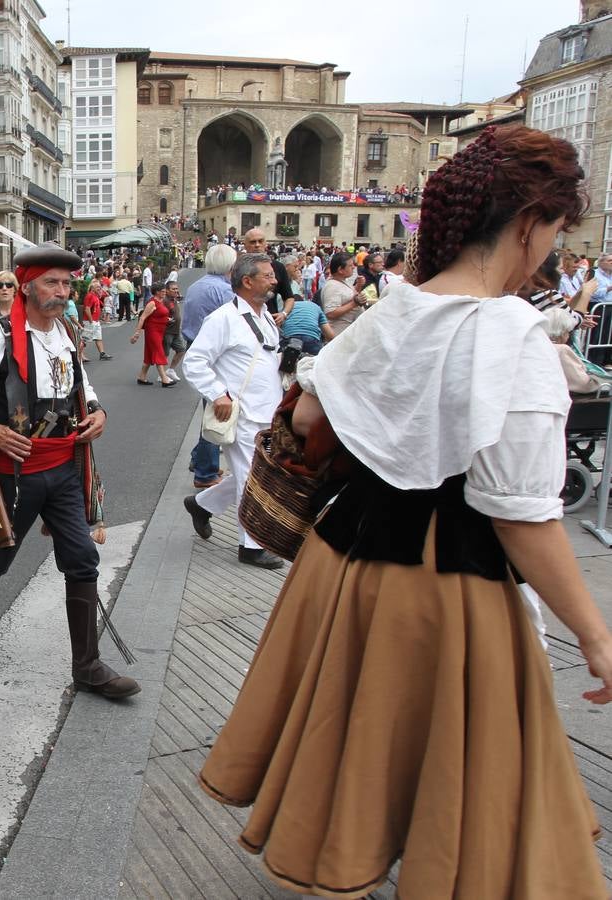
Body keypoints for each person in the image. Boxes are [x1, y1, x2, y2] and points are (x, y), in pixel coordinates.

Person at [199, 123, 612, 900]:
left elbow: (315, 422)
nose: (549, 252)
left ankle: (353, 852)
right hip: (445, 583)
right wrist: (597, 635)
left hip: (343, 564)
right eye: (554, 233)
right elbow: (522, 515)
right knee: (464, 766)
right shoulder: (513, 335)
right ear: (529, 223)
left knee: (352, 737)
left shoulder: (394, 309)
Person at [0, 243, 140, 700]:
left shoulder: (65, 330)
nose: (62, 291)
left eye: (67, 284)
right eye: (52, 282)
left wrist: (99, 411)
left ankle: (87, 666)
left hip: (66, 467)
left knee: (83, 559)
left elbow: (80, 383)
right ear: (26, 287)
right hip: (16, 473)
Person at [181, 253, 285, 570]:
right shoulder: (224, 318)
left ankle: (201, 505)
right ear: (247, 281)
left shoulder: (265, 316)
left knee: (252, 474)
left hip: (267, 413)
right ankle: (252, 546)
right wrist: (218, 395)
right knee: (254, 479)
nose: (275, 280)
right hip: (239, 415)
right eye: (267, 275)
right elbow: (194, 362)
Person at [181, 243, 239, 490]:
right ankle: (205, 472)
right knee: (218, 412)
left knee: (212, 409)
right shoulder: (224, 291)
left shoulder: (197, 286)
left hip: (196, 345)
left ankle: (202, 460)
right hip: (215, 356)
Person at [130, 284, 176, 386]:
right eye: (163, 291)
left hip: (159, 331)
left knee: (150, 355)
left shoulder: (160, 301)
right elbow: (143, 318)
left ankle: (142, 377)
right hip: (153, 331)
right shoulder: (152, 303)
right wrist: (137, 333)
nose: (164, 293)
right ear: (157, 292)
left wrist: (167, 319)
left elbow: (158, 315)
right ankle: (164, 379)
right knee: (159, 352)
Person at [320, 251, 367, 335]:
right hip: (340, 334)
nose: (353, 267)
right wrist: (354, 303)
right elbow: (330, 313)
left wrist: (358, 286)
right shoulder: (332, 286)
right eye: (350, 265)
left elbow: (349, 297)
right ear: (340, 270)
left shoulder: (343, 281)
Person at [279, 291, 335, 356]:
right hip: (311, 338)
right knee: (313, 363)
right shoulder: (315, 306)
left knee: (287, 362)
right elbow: (330, 335)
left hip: (290, 338)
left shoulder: (286, 309)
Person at [78, 279, 111, 360]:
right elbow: (87, 309)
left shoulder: (95, 296)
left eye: (100, 287)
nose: (99, 289)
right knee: (85, 338)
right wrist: (91, 321)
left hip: (95, 321)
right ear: (92, 288)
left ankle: (102, 353)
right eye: (97, 287)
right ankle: (79, 355)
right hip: (90, 321)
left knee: (98, 337)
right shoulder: (89, 296)